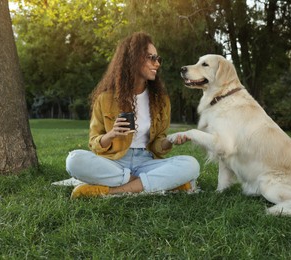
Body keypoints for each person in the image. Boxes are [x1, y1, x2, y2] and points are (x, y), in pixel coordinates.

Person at [66, 32, 200, 198]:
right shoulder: (105, 99)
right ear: (133, 59)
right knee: (74, 160)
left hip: (146, 162)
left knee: (191, 164)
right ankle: (153, 184)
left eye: (158, 59)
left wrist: (169, 141)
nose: (157, 63)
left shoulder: (161, 100)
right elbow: (94, 142)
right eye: (151, 58)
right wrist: (111, 134)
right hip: (114, 162)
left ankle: (113, 191)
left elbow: (158, 145)